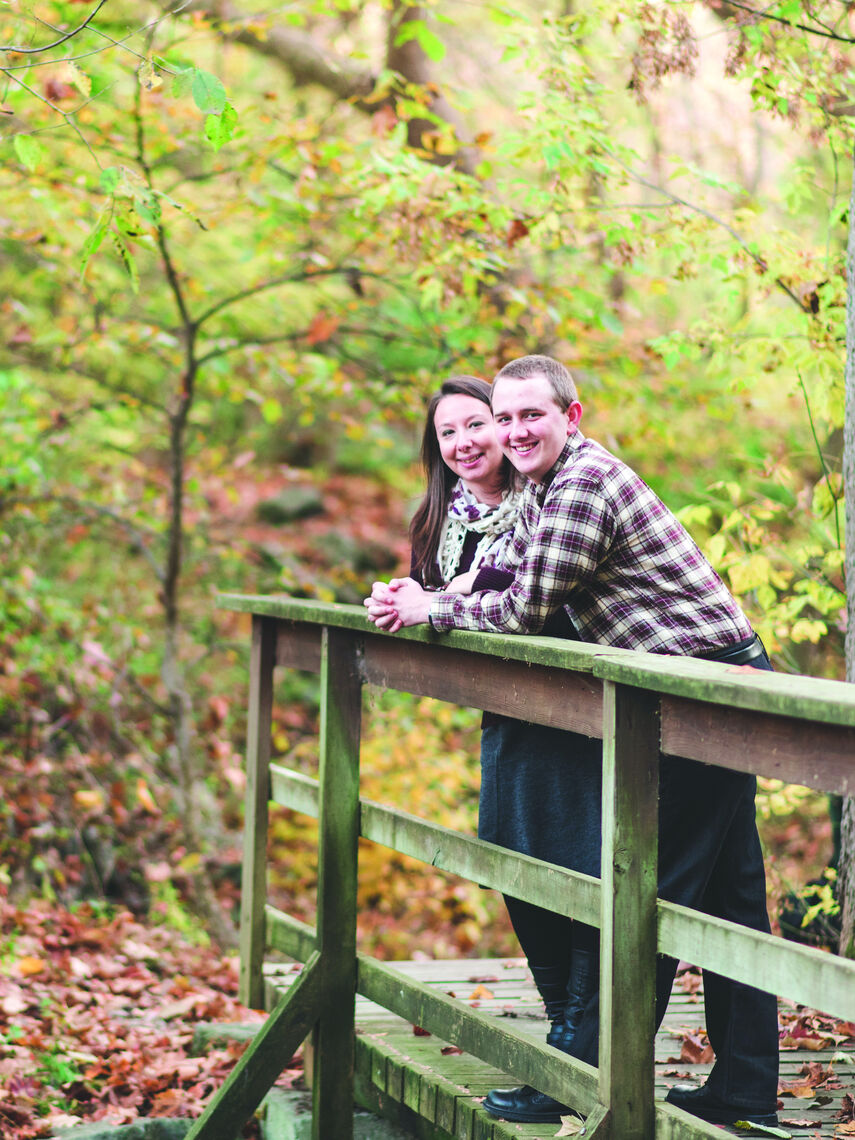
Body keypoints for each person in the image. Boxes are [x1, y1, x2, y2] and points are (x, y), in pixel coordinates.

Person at [365, 355, 780, 1131]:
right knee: (728, 901)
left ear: (571, 417)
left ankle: (574, 1077)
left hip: (710, 693)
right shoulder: (538, 485)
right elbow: (499, 567)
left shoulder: (584, 484)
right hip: (694, 691)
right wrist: (423, 595)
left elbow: (522, 609)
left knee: (652, 892)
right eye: (508, 417)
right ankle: (748, 1086)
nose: (514, 432)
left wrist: (434, 613)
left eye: (531, 417)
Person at [381, 373, 603, 1125]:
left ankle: (574, 1048)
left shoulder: (543, 500)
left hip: (567, 710)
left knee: (571, 866)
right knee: (511, 857)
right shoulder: (436, 517)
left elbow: (518, 601)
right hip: (504, 715)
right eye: (449, 433)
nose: (466, 441)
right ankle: (563, 1033)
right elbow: (436, 596)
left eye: (479, 423)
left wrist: (434, 606)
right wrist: (399, 600)